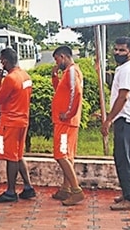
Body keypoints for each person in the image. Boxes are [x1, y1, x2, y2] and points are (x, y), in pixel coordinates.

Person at [101, 36, 130, 211]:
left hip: (127, 120)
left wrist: (109, 119)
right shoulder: (123, 68)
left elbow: (123, 97)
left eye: (122, 50)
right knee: (120, 158)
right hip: (125, 119)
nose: (117, 53)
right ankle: (128, 193)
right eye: (116, 49)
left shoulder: (126, 70)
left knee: (124, 159)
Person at [0, 48, 36, 203]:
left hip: (10, 121)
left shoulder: (10, 78)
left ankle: (10, 191)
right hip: (23, 120)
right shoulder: (25, 75)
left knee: (11, 157)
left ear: (5, 61)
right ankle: (28, 187)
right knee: (18, 155)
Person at [50, 45, 85, 206]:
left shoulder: (71, 71)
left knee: (61, 155)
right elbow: (62, 92)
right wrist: (54, 76)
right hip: (66, 121)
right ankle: (66, 189)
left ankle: (76, 190)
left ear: (63, 57)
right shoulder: (69, 72)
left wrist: (68, 113)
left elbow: (75, 93)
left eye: (57, 59)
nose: (56, 62)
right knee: (67, 155)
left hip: (66, 122)